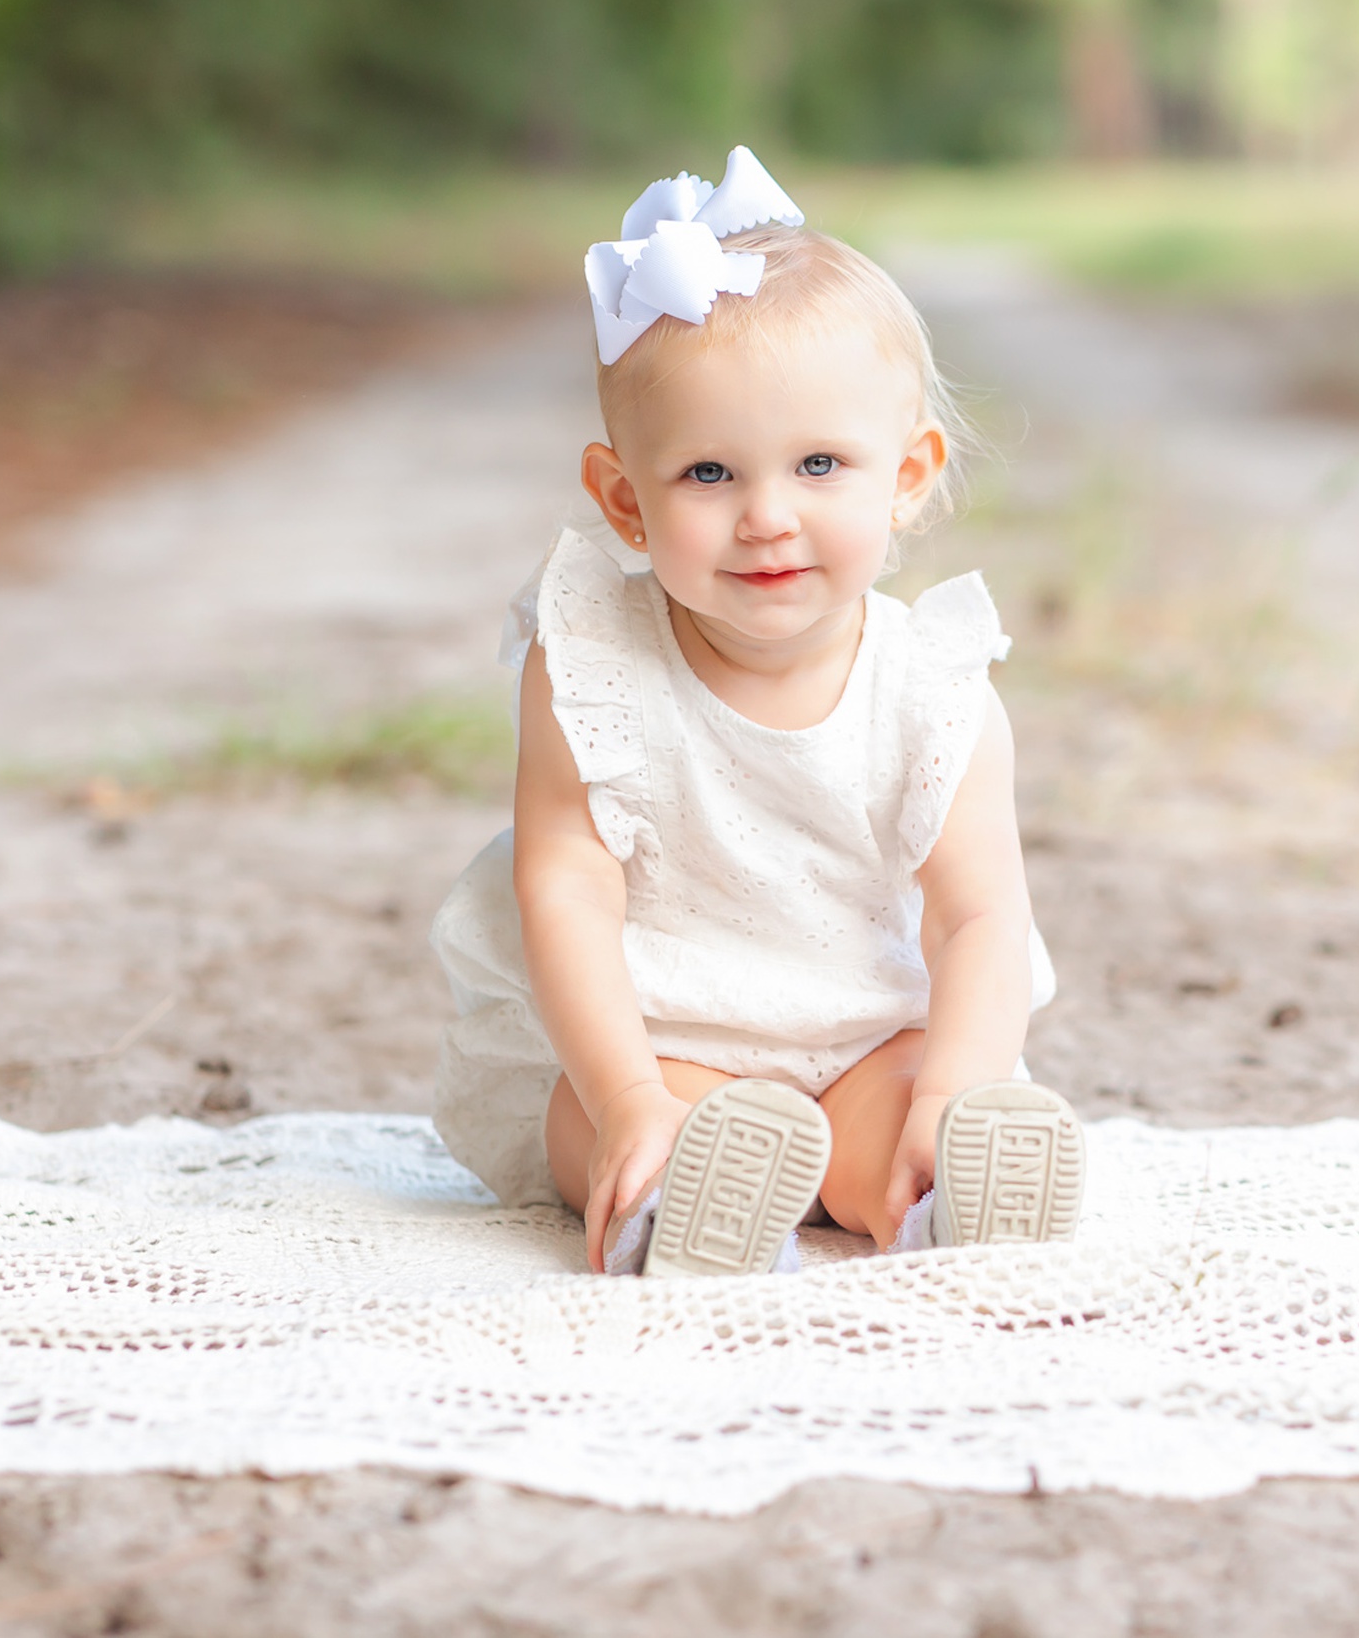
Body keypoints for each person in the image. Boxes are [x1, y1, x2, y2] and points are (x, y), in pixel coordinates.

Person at [430, 147, 1084, 1277]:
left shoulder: (932, 691)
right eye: (709, 476)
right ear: (624, 500)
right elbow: (565, 881)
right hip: (653, 1035)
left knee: (903, 1100)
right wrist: (630, 1089)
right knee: (613, 1132)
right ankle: (680, 1193)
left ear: (909, 475)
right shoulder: (591, 661)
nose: (767, 517)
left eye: (819, 464)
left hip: (858, 1035)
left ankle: (932, 1190)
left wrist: (953, 1086)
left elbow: (978, 919)